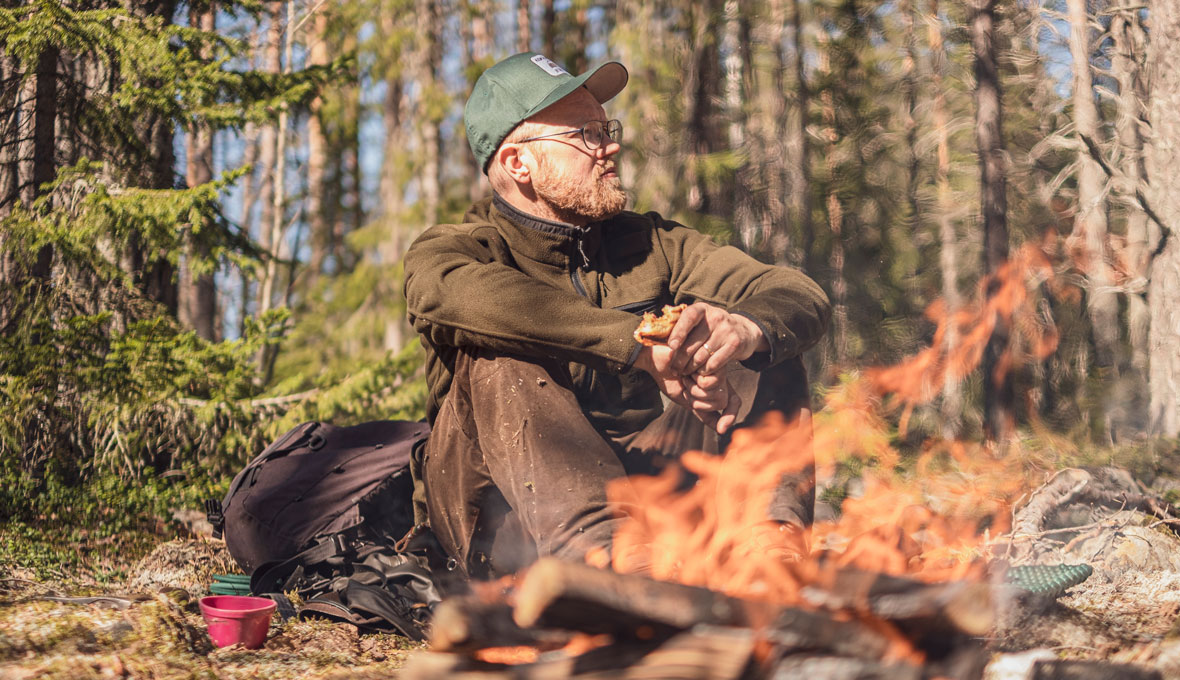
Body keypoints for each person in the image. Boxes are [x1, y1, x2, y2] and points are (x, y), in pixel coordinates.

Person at [403, 52, 831, 579]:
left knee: (762, 337)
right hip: (503, 521)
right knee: (497, 347)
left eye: (606, 128)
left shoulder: (652, 243)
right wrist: (635, 344)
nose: (610, 146)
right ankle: (609, 565)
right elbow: (445, 293)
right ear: (519, 163)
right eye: (585, 134)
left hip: (653, 498)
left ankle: (770, 557)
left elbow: (793, 291)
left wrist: (743, 331)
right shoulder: (458, 251)